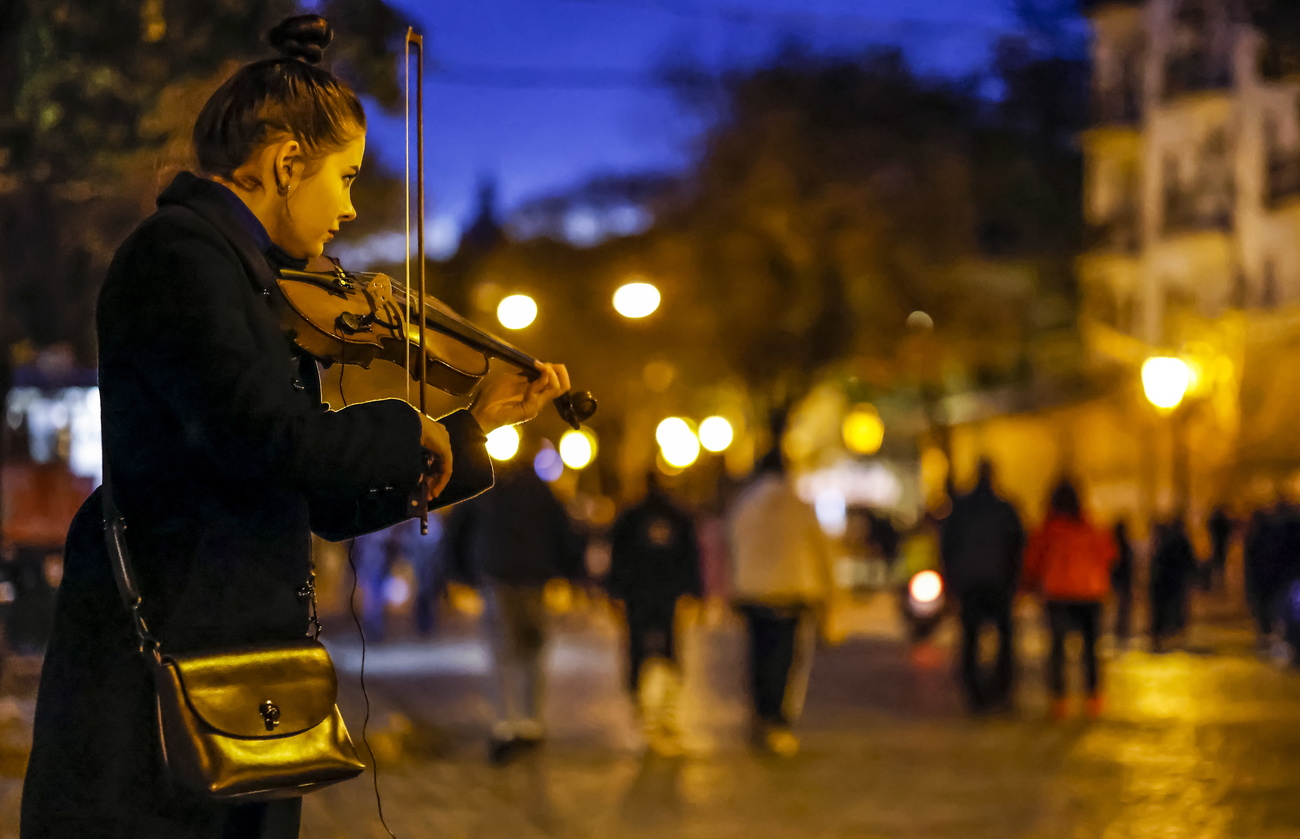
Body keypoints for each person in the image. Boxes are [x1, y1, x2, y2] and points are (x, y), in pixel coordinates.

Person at [20, 16, 571, 839]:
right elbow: (267, 437)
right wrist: (410, 421)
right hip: (166, 662)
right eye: (345, 178)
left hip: (233, 657)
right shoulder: (181, 257)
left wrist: (465, 431)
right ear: (285, 164)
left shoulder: (250, 279)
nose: (349, 208)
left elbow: (314, 494)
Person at [442, 449, 585, 765]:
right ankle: (530, 721)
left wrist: (458, 575)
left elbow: (457, 532)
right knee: (532, 648)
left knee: (501, 649)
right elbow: (565, 533)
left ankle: (505, 722)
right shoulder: (541, 491)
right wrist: (570, 575)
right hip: (534, 578)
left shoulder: (484, 491)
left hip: (497, 577)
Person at [727, 449, 834, 757]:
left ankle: (761, 714)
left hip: (752, 592)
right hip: (790, 591)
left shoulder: (744, 505)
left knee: (758, 655)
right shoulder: (799, 506)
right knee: (784, 658)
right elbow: (823, 552)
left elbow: (730, 546)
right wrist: (830, 596)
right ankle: (776, 719)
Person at [607, 472, 703, 754]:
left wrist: (615, 594)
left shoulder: (630, 517)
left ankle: (647, 721)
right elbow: (690, 559)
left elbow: (617, 559)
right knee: (669, 655)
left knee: (639, 655)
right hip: (667, 597)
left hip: (638, 596)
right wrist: (693, 593)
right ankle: (662, 719)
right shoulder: (678, 515)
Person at [1023, 479, 1116, 719]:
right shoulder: (1092, 527)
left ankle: (1059, 700)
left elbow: (1033, 562)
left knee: (1057, 649)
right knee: (1091, 650)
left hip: (1058, 594)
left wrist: (1029, 586)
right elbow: (1109, 554)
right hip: (1091, 593)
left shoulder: (1048, 530)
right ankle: (1093, 697)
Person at [939, 460, 1025, 714]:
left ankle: (974, 693)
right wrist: (1014, 580)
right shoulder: (1005, 509)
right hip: (999, 583)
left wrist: (953, 580)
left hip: (970, 584)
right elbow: (1018, 546)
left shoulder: (962, 510)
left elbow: (948, 546)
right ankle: (1002, 689)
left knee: (970, 639)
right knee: (1005, 639)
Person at [1148, 516, 1197, 652]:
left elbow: (1158, 564)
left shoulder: (1164, 543)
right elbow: (1189, 561)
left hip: (1165, 582)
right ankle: (1172, 632)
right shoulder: (1180, 541)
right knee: (1174, 607)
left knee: (1163, 610)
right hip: (1175, 582)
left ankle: (1162, 634)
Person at [1111, 520, 1134, 645]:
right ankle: (1121, 630)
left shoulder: (1115, 545)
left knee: (1121, 608)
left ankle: (1120, 630)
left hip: (1119, 581)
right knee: (1122, 608)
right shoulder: (1124, 545)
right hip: (1123, 581)